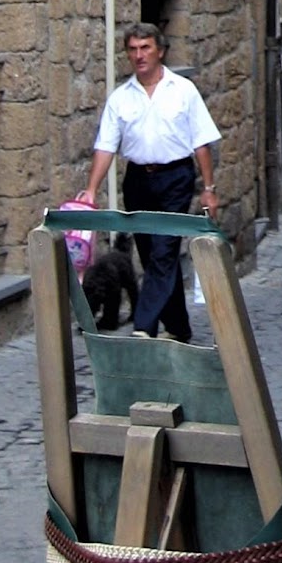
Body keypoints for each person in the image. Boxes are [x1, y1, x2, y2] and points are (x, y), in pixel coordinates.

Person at [80, 22, 220, 342]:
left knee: (163, 252)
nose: (139, 55)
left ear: (160, 51)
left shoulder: (183, 90)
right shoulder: (120, 98)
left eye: (145, 48)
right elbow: (105, 146)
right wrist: (91, 190)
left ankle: (143, 326)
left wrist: (208, 190)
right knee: (150, 254)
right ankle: (179, 326)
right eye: (133, 49)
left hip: (176, 178)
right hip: (138, 181)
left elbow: (202, 142)